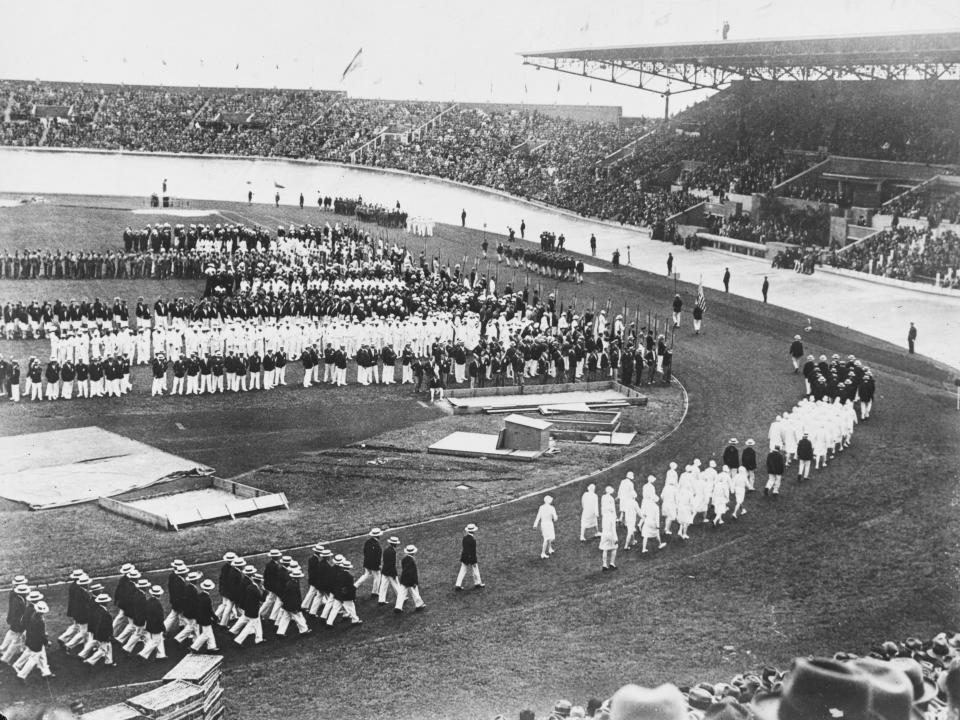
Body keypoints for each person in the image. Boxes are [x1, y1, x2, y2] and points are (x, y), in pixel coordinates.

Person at [15, 601, 53, 682]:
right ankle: (21, 675)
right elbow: (41, 635)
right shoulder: (40, 621)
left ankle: (46, 672)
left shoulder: (33, 616)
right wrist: (47, 642)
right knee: (33, 660)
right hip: (37, 643)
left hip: (30, 639)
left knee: (40, 655)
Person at [395, 545, 426, 613]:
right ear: (413, 552)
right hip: (410, 580)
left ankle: (398, 607)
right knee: (415, 592)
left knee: (401, 593)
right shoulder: (412, 561)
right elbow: (412, 573)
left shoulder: (404, 559)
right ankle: (419, 605)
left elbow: (404, 570)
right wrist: (414, 582)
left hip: (403, 579)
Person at [354, 528, 383, 598]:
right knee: (377, 577)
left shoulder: (367, 542)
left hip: (367, 562)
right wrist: (379, 565)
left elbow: (365, 551)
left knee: (366, 575)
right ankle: (375, 592)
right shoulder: (377, 545)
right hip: (374, 564)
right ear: (378, 536)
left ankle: (355, 586)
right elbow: (377, 557)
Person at [455, 523, 484, 590]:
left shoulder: (465, 538)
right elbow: (472, 552)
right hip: (471, 557)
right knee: (475, 570)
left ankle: (458, 585)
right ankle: (478, 583)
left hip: (464, 557)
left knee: (462, 571)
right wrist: (473, 560)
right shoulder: (473, 541)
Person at [377, 536, 402, 606]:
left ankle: (381, 600)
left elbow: (386, 562)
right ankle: (401, 597)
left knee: (383, 585)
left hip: (385, 570)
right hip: (390, 571)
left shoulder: (386, 550)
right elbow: (392, 564)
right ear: (395, 544)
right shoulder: (393, 552)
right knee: (396, 584)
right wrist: (394, 574)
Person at [599, 486, 618, 570]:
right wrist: (615, 537)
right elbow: (613, 529)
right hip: (610, 534)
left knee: (605, 549)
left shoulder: (604, 516)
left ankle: (604, 565)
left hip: (604, 533)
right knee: (614, 547)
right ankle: (612, 563)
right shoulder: (611, 517)